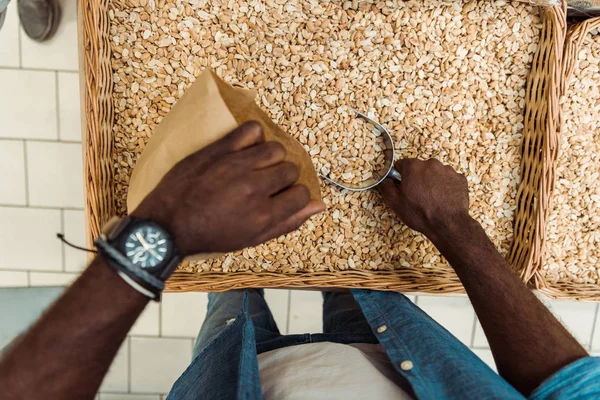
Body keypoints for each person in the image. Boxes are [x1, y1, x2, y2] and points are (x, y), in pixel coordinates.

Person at [0, 121, 598, 399]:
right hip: (396, 351)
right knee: (358, 277)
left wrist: (161, 235)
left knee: (227, 288)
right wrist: (450, 224)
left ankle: (229, 275)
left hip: (232, 375)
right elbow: (570, 387)